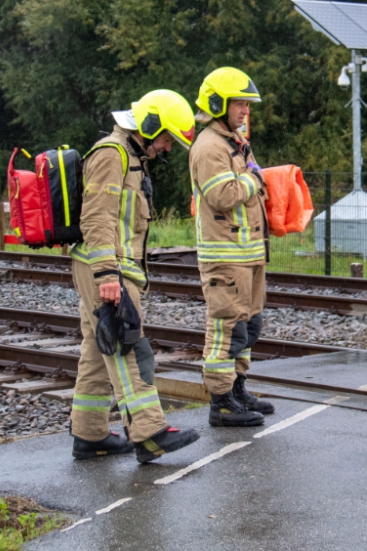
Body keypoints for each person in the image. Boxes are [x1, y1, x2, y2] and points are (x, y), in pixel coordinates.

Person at [69, 89, 201, 462]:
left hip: (112, 267)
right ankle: (149, 432)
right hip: (108, 267)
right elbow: (96, 217)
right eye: (165, 138)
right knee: (126, 346)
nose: (168, 148)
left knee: (99, 349)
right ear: (149, 124)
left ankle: (89, 434)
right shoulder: (113, 155)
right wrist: (107, 273)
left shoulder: (130, 157)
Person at [190, 67, 274, 427]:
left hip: (248, 253)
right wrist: (253, 179)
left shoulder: (235, 142)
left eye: (246, 104)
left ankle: (238, 389)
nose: (244, 110)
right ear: (217, 104)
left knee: (247, 327)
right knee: (227, 328)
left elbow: (251, 183)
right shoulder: (210, 146)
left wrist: (254, 180)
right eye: (239, 103)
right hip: (225, 255)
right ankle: (221, 401)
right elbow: (223, 195)